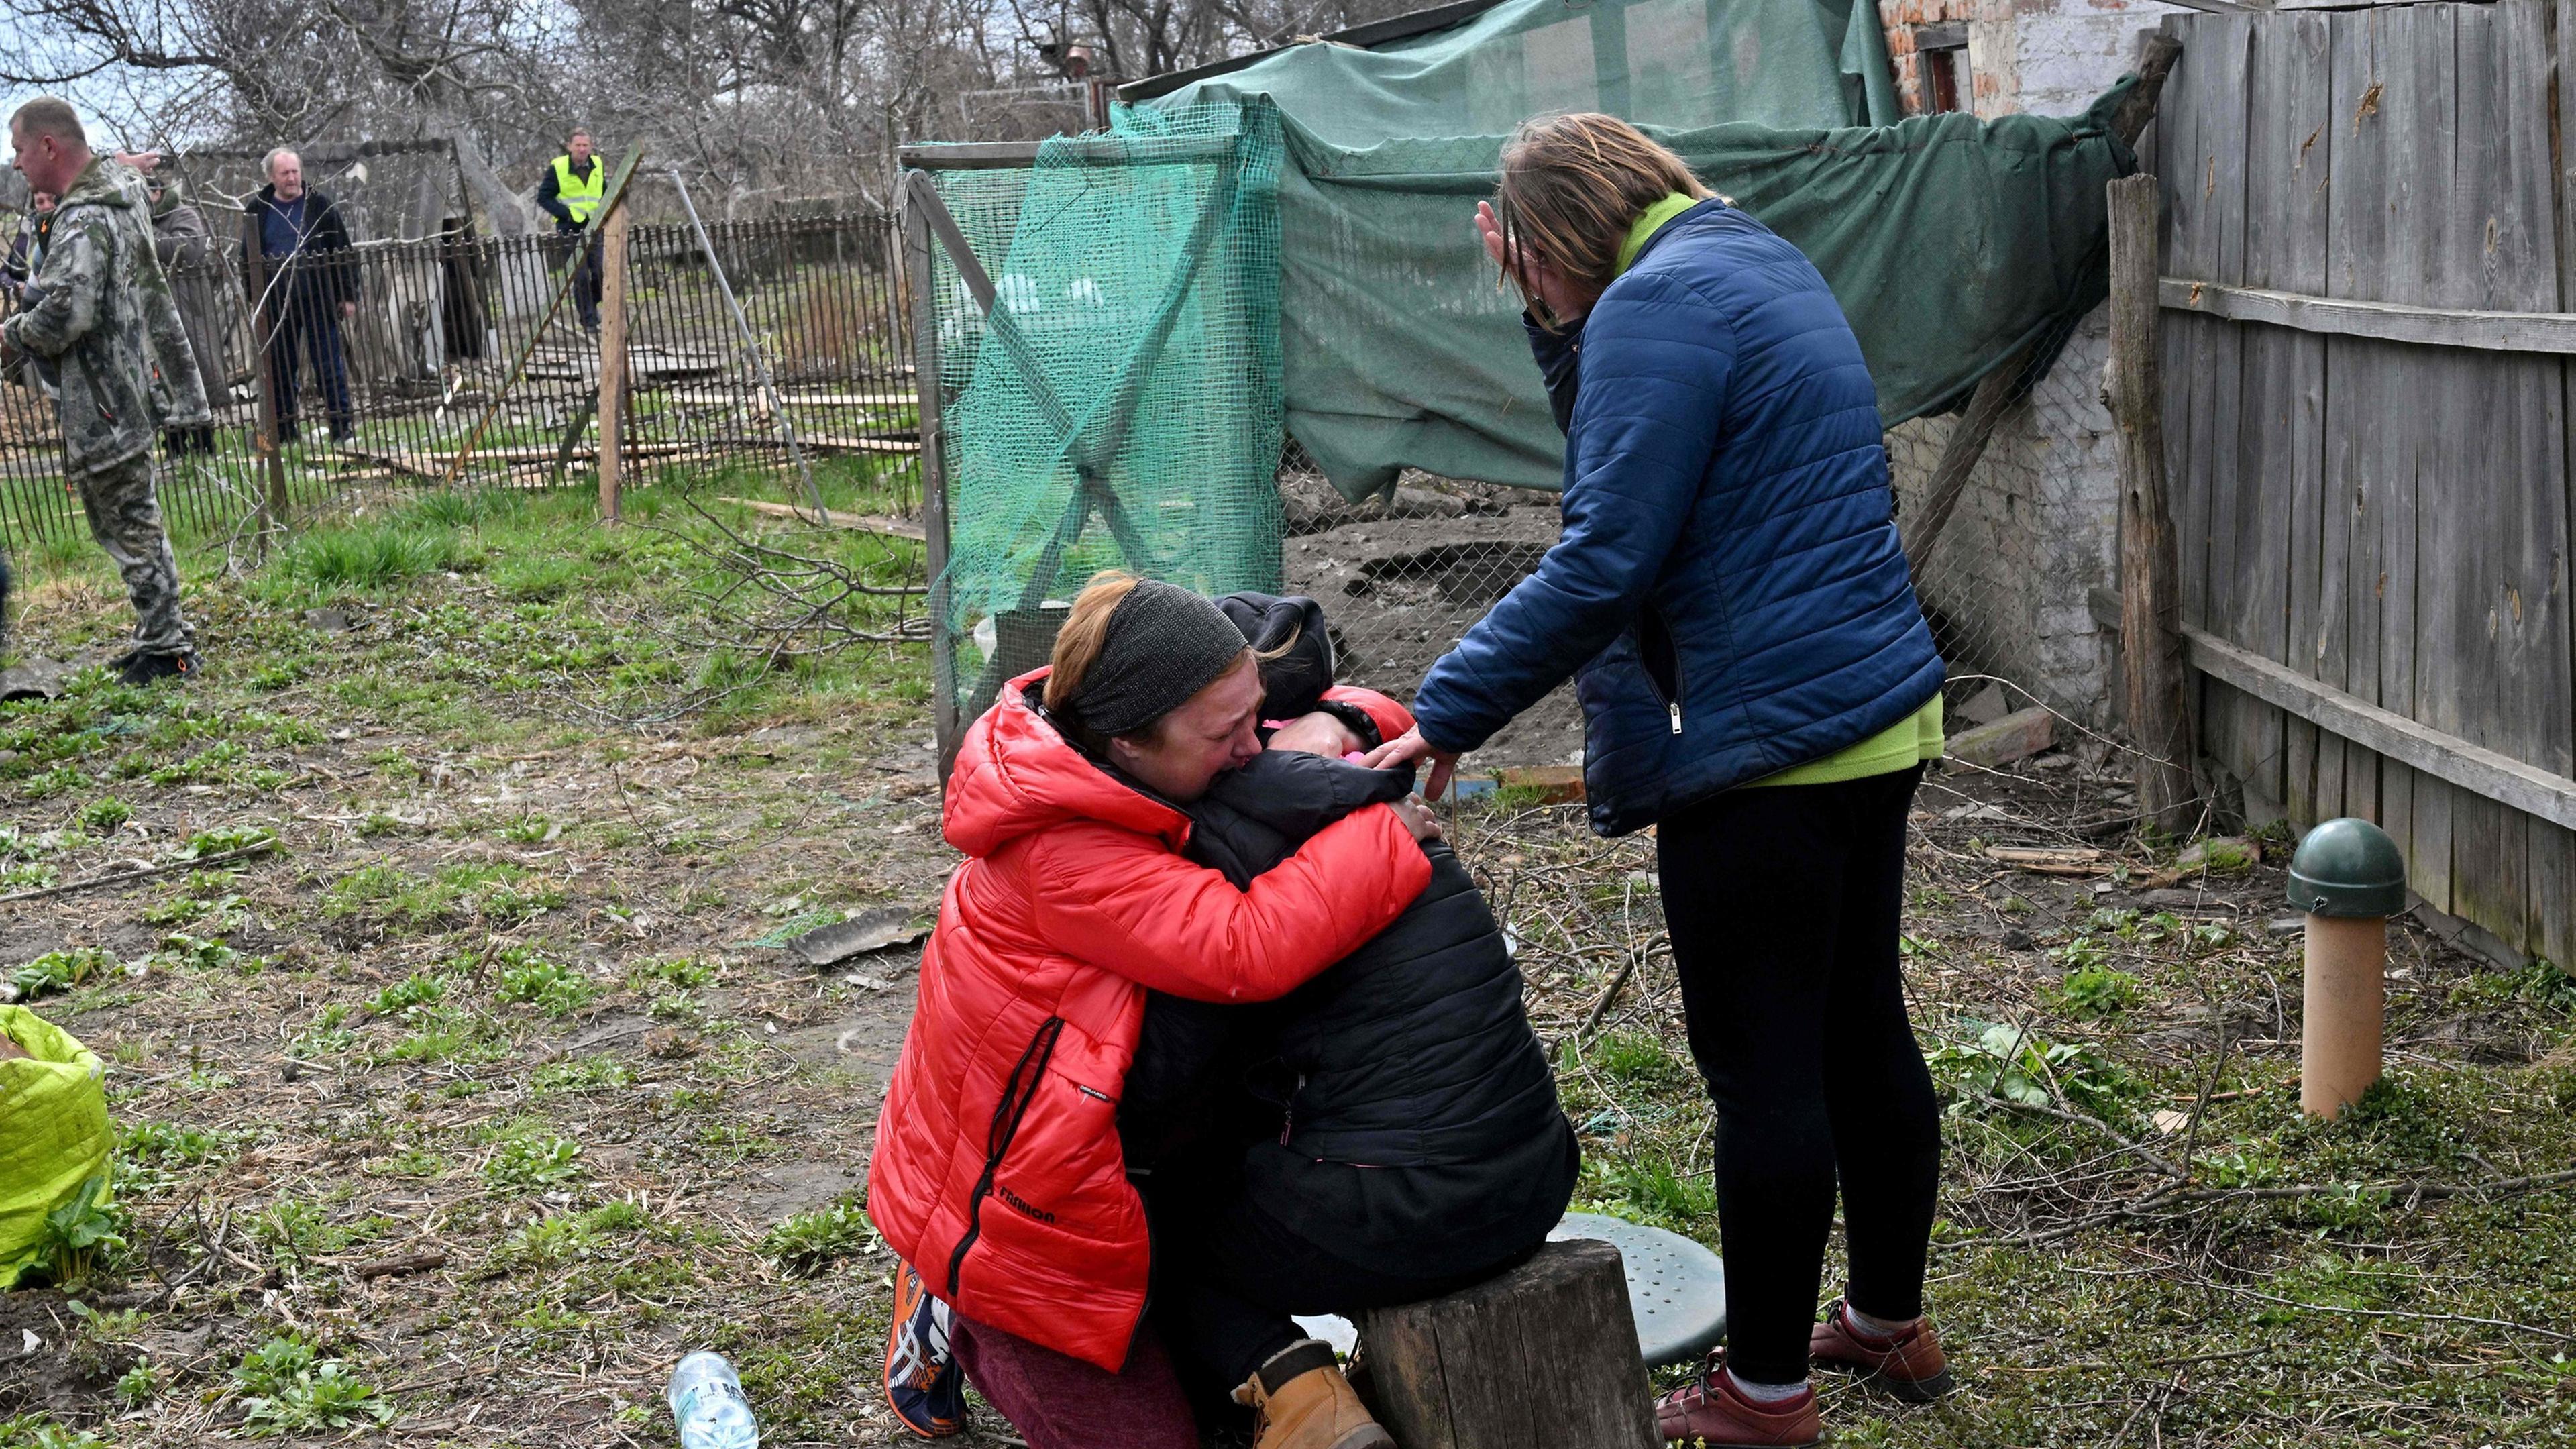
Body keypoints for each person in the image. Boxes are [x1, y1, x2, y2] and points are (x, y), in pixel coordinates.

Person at [1364, 114, 1952, 1447]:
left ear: (1555, 237)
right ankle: (1887, 1323)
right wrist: (1551, 314)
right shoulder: (1748, 262)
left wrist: (1448, 707)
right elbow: (1625, 446)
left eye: (1525, 271)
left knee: (1767, 1078)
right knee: (1862, 1029)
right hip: (1877, 712)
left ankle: (1763, 1396)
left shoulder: (1652, 309)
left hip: (1766, 747)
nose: (1531, 296)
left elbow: (1603, 552)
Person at [867, 572, 1440, 1449]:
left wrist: (1348, 726)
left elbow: (1358, 705)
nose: (1258, 747)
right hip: (1026, 1227)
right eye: (1230, 734)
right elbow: (1246, 946)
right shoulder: (1061, 850)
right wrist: (1386, 831)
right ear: (1131, 746)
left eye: (1260, 717)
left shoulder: (1177, 708)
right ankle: (950, 1308)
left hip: (1136, 1165)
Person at [1128, 592, 1580, 1448]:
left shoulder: (1221, 836)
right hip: (1535, 1176)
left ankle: (1294, 1397)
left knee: (1141, 1228)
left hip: (1409, 1212)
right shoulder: (1363, 782)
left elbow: (1170, 1078)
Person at [1, 97, 210, 684]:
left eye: (19, 150)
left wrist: (8, 333)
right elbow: (115, 170)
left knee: (128, 522)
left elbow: (66, 313)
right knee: (134, 517)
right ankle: (158, 637)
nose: (15, 164)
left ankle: (168, 650)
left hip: (102, 399)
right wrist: (119, 160)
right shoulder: (118, 190)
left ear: (49, 147)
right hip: (130, 386)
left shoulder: (83, 219)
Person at [244, 147, 357, 444]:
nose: (292, 178)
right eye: (285, 173)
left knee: (329, 366)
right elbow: (248, 258)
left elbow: (343, 251)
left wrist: (347, 295)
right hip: (277, 302)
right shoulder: (257, 209)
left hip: (318, 297)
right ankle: (286, 429)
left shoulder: (320, 205)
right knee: (281, 369)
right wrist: (254, 299)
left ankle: (341, 427)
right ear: (271, 177)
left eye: (295, 172)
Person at [134, 164, 225, 454]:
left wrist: (144, 229)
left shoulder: (183, 215)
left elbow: (189, 248)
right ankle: (173, 442)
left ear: (157, 193)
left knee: (193, 374)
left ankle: (204, 440)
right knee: (161, 379)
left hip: (188, 311)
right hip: (151, 313)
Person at [535, 128, 604, 332]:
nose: (582, 149)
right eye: (578, 145)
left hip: (595, 226)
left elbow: (605, 190)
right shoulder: (559, 167)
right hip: (570, 229)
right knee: (580, 276)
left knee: (601, 271)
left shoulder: (597, 164)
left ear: (591, 146)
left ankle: (591, 304)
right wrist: (565, 214)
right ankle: (589, 320)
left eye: (585, 145)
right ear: (570, 147)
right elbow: (544, 197)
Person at [2, 189, 53, 305]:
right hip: (28, 311)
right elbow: (5, 275)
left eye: (51, 200)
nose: (47, 206)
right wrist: (18, 288)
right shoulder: (27, 235)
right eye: (40, 202)